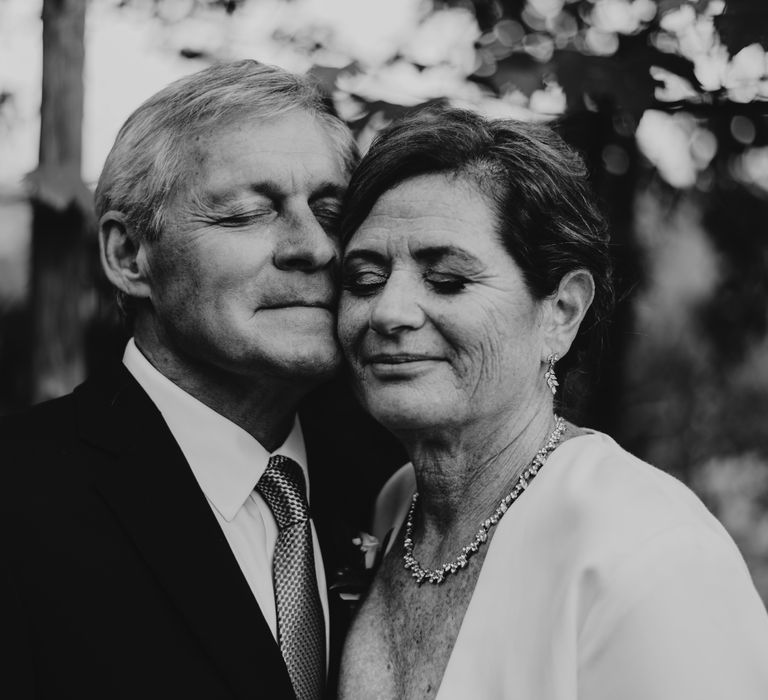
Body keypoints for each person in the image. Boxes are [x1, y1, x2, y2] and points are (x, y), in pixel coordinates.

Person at [0, 60, 401, 700]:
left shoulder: (398, 485)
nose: (315, 247)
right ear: (130, 257)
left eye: (330, 211)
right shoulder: (16, 496)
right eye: (247, 213)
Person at [335, 107, 768, 700]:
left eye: (447, 279)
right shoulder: (395, 505)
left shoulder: (651, 551)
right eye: (364, 279)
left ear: (560, 312)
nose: (388, 312)